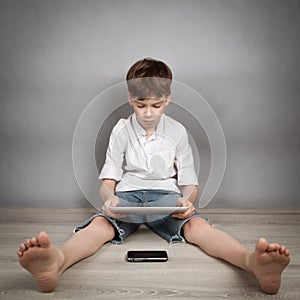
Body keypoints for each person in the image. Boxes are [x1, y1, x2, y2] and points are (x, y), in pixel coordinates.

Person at [17, 58, 290, 294]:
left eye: (156, 105)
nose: (148, 113)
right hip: (128, 196)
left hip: (167, 197)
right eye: (140, 105)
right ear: (129, 98)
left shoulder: (178, 132)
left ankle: (252, 262)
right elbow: (108, 181)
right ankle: (57, 261)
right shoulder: (120, 129)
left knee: (198, 228)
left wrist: (187, 202)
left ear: (168, 99)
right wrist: (110, 199)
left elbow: (189, 183)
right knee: (99, 227)